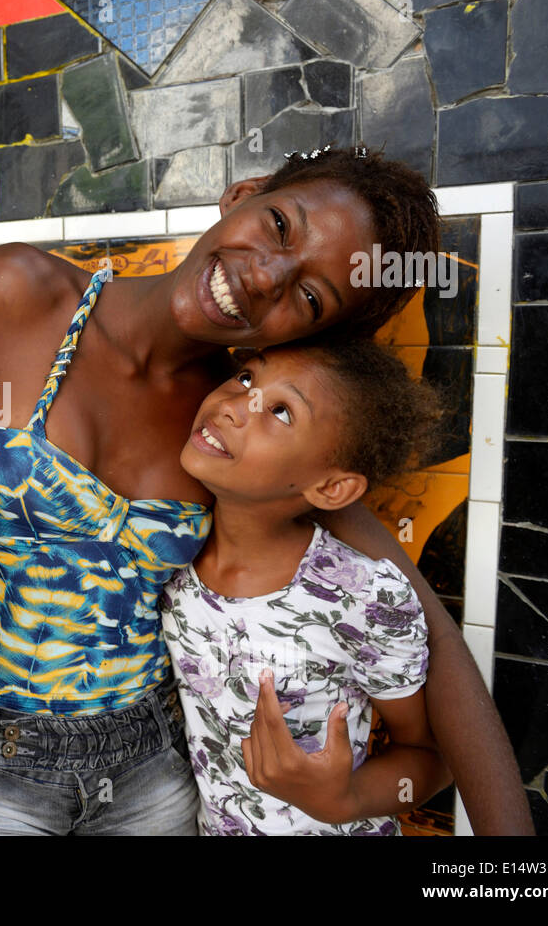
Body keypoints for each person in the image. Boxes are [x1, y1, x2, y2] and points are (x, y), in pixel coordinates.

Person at [0, 145, 531, 834]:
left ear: (316, 335)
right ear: (241, 192)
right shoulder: (18, 295)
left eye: (309, 294)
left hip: (152, 772)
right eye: (278, 222)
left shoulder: (241, 429)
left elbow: (429, 639)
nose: (267, 275)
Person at [162, 338, 451, 835]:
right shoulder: (164, 558)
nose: (234, 407)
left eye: (281, 411)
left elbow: (432, 758)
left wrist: (343, 798)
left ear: (331, 487)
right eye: (247, 377)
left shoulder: (363, 595)